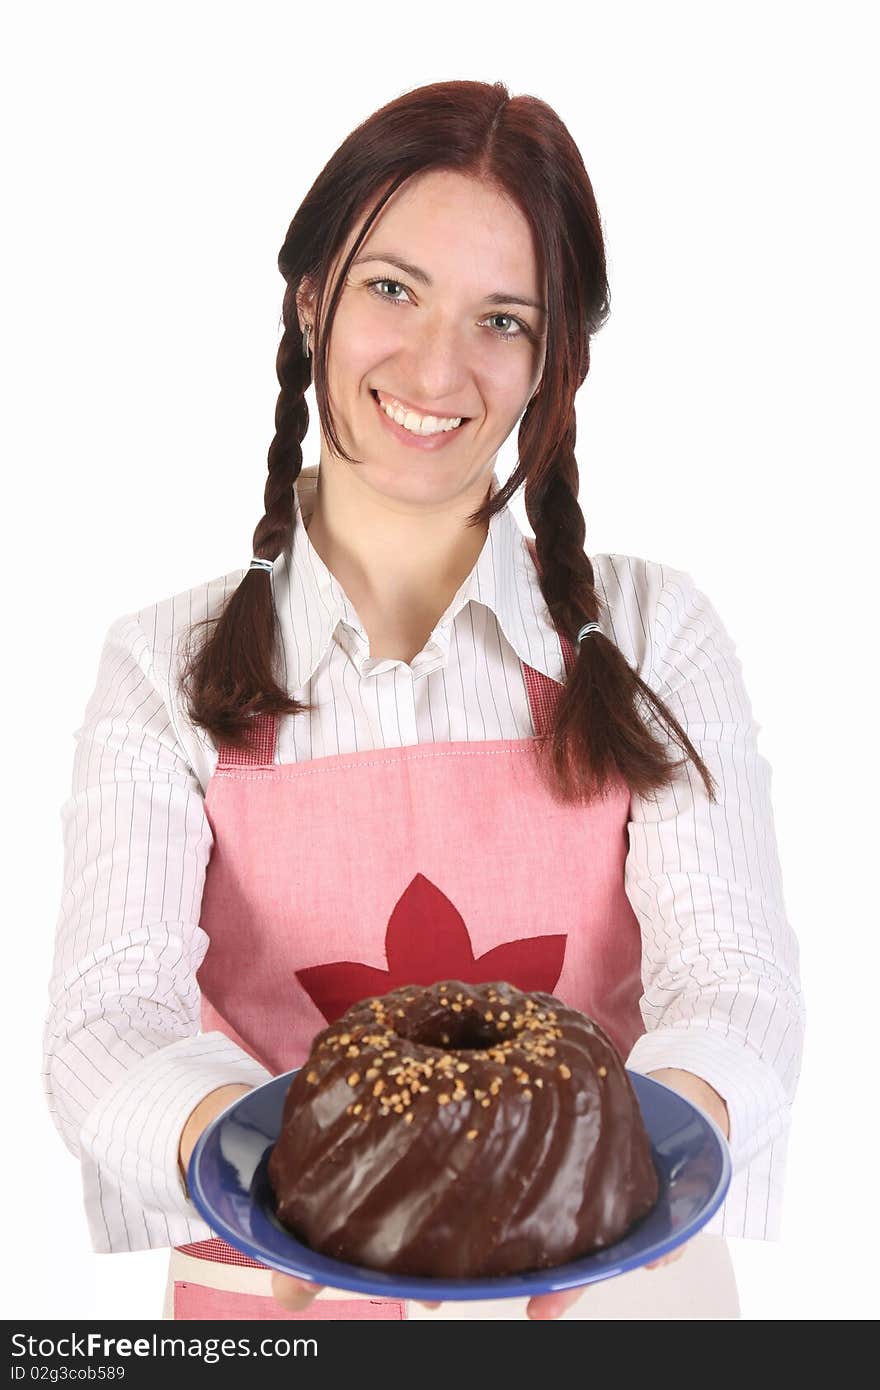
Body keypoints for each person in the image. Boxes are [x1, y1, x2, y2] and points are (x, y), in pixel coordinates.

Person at [43, 78, 804, 1322]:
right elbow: (104, 1018)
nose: (436, 365)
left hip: (616, 1280)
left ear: (553, 358)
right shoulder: (159, 664)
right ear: (309, 300)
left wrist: (635, 1176)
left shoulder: (656, 636)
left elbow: (734, 982)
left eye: (502, 319)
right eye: (391, 289)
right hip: (277, 1292)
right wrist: (276, 1182)